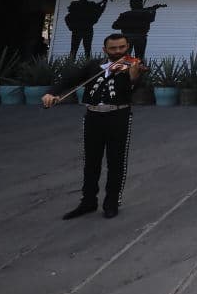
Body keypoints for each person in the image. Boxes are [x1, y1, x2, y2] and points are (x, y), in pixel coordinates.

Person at [42, 33, 142, 220]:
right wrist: (52, 93)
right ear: (105, 50)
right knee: (91, 162)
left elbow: (133, 87)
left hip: (118, 116)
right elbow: (68, 81)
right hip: (93, 116)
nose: (118, 51)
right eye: (113, 48)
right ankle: (88, 202)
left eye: (122, 47)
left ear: (127, 46)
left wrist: (133, 75)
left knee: (116, 162)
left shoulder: (133, 65)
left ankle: (111, 203)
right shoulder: (92, 66)